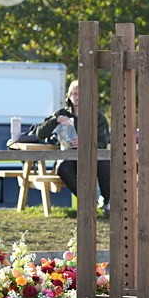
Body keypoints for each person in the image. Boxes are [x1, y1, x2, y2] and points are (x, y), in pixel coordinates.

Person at [35, 80, 112, 215]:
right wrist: (55, 120)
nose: (78, 97)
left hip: (90, 157)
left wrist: (86, 143)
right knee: (62, 167)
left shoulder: (98, 116)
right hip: (68, 156)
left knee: (105, 162)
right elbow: (40, 134)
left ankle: (108, 202)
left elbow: (103, 141)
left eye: (81, 94)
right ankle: (88, 203)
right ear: (70, 95)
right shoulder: (62, 113)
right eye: (75, 93)